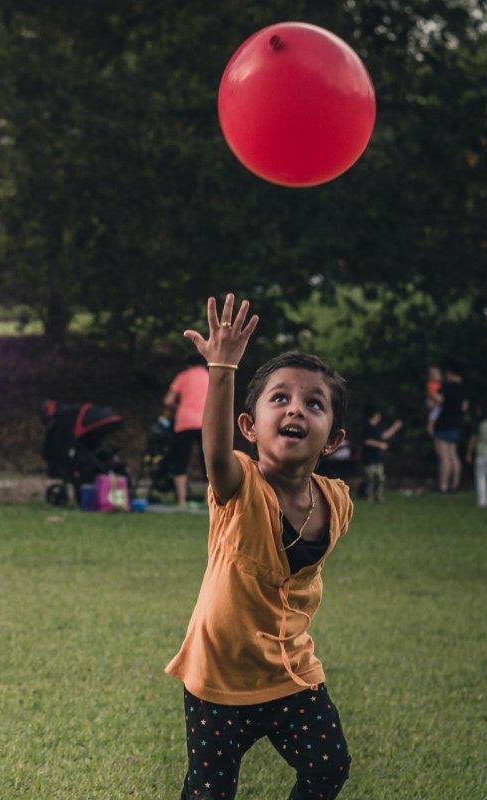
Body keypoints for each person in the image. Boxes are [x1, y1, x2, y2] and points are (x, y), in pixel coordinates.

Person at [167, 294, 355, 800]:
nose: (296, 408)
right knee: (209, 793)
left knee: (329, 767)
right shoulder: (238, 487)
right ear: (248, 427)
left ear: (332, 438)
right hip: (219, 678)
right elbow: (213, 449)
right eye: (280, 399)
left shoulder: (336, 501)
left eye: (313, 403)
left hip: (289, 671)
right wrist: (223, 366)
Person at [163, 353, 210, 506]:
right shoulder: (210, 377)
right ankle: (208, 500)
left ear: (188, 364)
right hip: (205, 422)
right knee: (207, 462)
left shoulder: (183, 376)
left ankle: (182, 500)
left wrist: (179, 407)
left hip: (184, 422)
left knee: (181, 460)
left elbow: (168, 401)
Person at [432, 363, 469, 493]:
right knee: (454, 455)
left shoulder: (447, 387)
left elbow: (437, 400)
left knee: (444, 457)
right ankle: (455, 484)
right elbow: (464, 407)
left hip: (443, 425)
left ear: (450, 374)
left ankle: (443, 485)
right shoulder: (464, 389)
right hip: (455, 425)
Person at [361, 405, 403, 503]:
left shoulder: (375, 428)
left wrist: (395, 427)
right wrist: (380, 445)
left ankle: (379, 496)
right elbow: (367, 441)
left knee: (380, 478)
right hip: (369, 458)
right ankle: (369, 497)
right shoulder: (367, 427)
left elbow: (383, 436)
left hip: (377, 458)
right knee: (370, 478)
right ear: (375, 415)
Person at [424, 365, 443, 434]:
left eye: (439, 374)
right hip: (435, 404)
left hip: (437, 404)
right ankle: (430, 426)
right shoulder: (432, 384)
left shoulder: (440, 384)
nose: (438, 375)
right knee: (435, 412)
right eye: (435, 374)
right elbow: (433, 394)